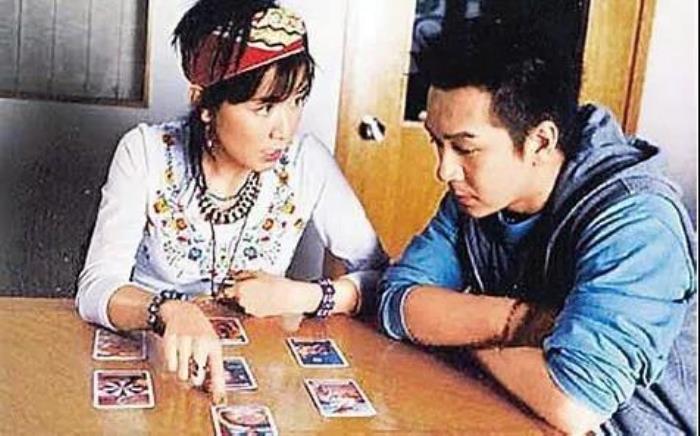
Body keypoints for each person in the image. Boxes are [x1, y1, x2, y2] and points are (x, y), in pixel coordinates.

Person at [378, 22, 697, 435]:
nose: (445, 170)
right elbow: (398, 300)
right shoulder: (477, 196)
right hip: (514, 414)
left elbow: (574, 403)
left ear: (541, 142)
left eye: (465, 148)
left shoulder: (638, 220)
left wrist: (457, 328)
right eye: (437, 143)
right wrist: (520, 322)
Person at [76, 0, 387, 404]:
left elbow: (384, 279)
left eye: (297, 100)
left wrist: (299, 296)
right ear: (204, 102)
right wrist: (167, 311)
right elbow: (96, 287)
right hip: (158, 359)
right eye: (265, 107)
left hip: (256, 369)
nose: (284, 129)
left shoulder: (306, 161)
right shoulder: (146, 152)